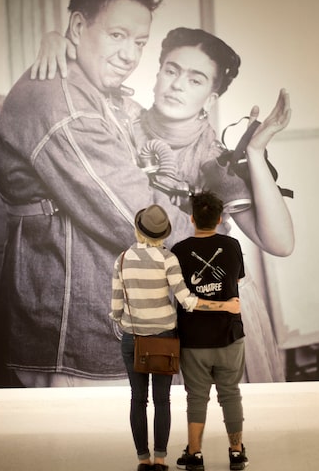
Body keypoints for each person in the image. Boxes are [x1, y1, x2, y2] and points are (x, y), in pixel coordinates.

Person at [31, 27, 295, 381]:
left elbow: (280, 243)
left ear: (211, 98)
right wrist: (59, 42)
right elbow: (78, 85)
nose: (178, 85)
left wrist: (255, 152)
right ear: (156, 76)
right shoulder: (116, 121)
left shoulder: (212, 162)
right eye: (171, 70)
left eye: (195, 79)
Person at [0, 0, 196, 387]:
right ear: (79, 26)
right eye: (117, 35)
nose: (129, 55)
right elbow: (135, 218)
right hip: (76, 336)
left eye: (139, 42)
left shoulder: (96, 92)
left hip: (120, 322)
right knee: (91, 450)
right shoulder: (65, 103)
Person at [110, 204, 240, 471]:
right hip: (164, 339)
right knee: (162, 400)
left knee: (137, 399)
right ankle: (160, 459)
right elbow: (187, 302)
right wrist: (224, 306)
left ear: (138, 229)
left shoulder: (122, 259)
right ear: (163, 233)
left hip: (132, 338)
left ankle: (142, 459)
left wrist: (125, 324)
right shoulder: (168, 259)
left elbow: (116, 307)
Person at [171, 191, 248, 471]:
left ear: (192, 219)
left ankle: (195, 454)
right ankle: (236, 452)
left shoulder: (178, 250)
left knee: (196, 397)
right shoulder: (231, 245)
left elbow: (180, 294)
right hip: (230, 335)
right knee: (230, 393)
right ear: (219, 219)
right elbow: (239, 278)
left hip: (193, 339)